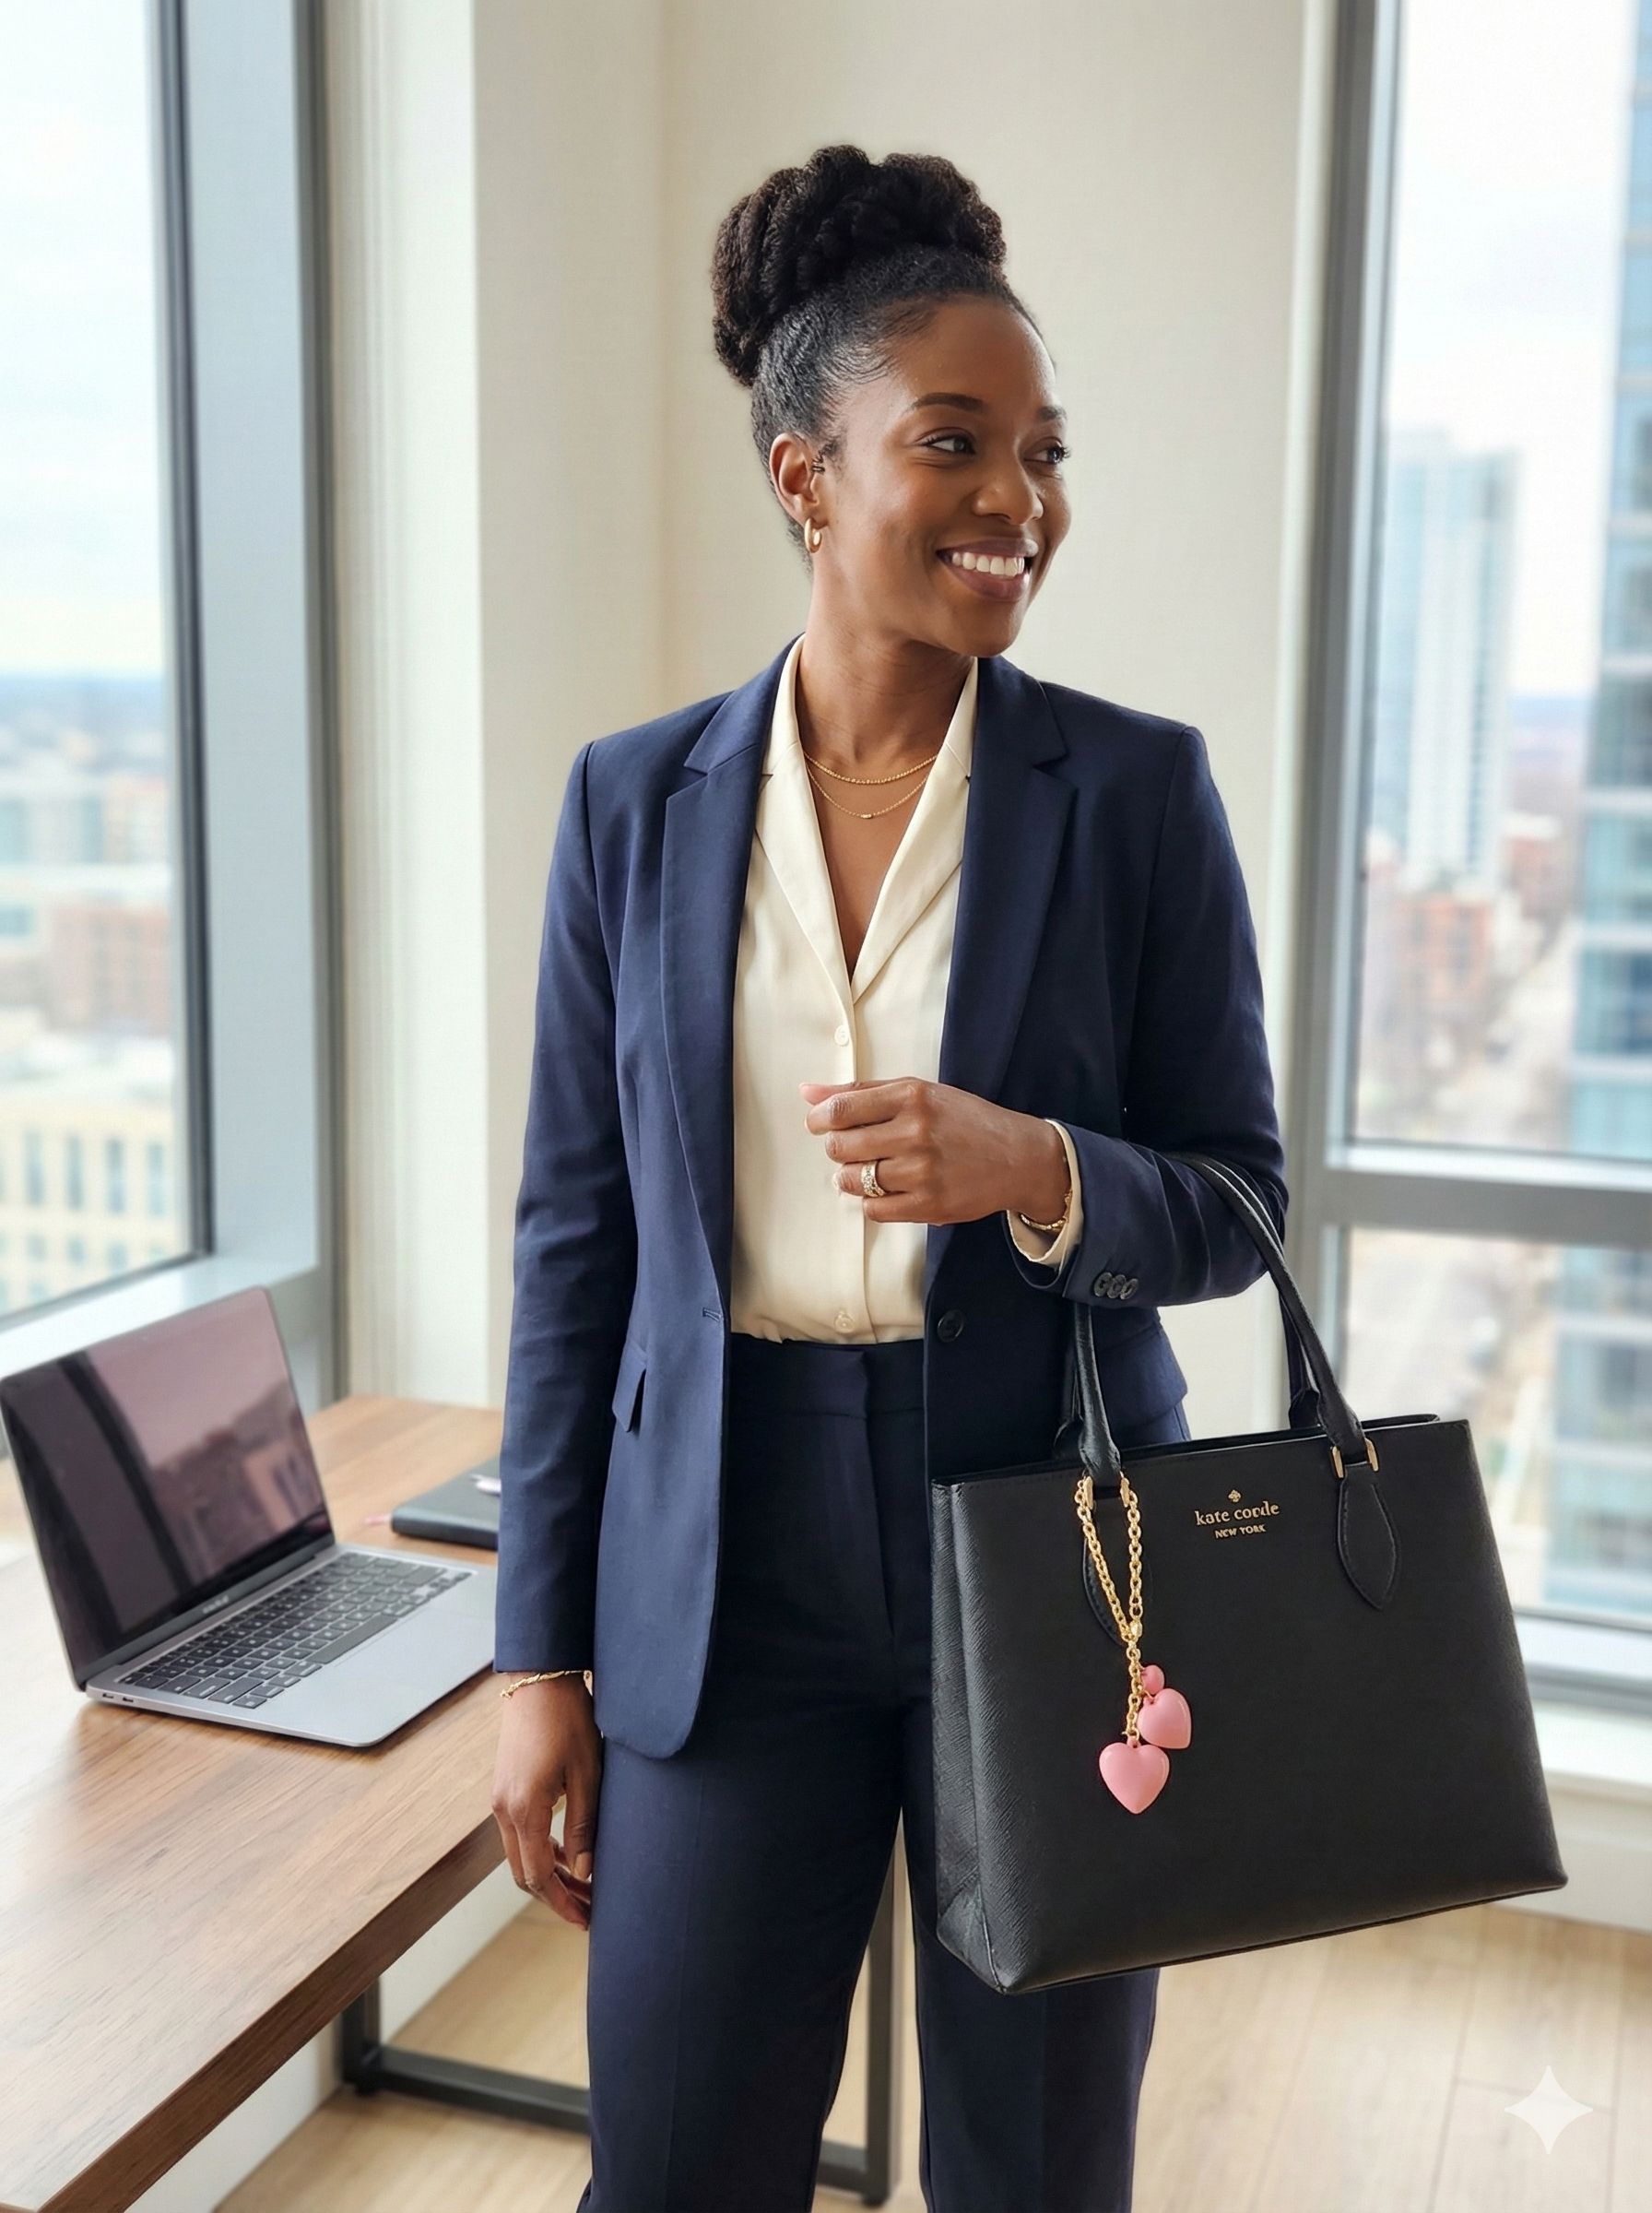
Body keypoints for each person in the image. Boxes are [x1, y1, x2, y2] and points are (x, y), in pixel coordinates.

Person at [490, 145, 1284, 2213]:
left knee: (1028, 2173)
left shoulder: (1127, 792)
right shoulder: (629, 804)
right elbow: (576, 1251)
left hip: (1038, 1542)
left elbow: (1238, 1199)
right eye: (952, 442)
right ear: (800, 472)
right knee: (671, 2168)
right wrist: (532, 1658)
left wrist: (1036, 1171)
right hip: (719, 1560)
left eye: (1040, 452)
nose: (1013, 498)